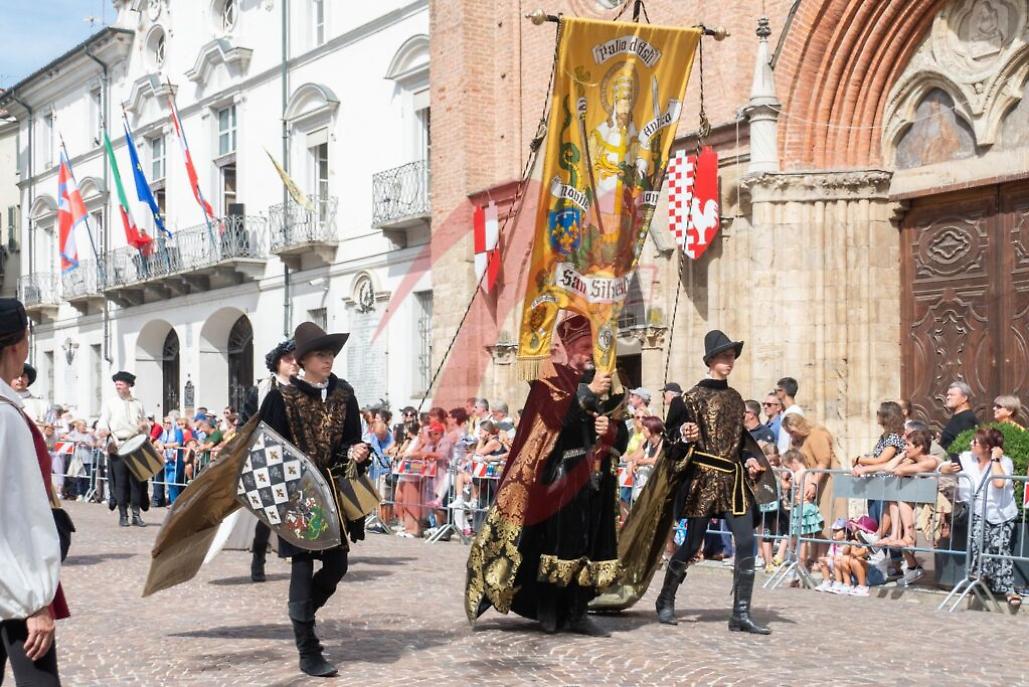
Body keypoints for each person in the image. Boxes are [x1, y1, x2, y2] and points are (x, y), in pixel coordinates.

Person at [466, 313, 627, 636]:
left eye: (592, 346)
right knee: (556, 546)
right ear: (568, 347)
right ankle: (549, 610)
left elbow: (622, 435)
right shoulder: (552, 379)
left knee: (590, 546)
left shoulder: (611, 383)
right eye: (582, 346)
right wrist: (588, 394)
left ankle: (579, 611)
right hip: (560, 476)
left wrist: (608, 430)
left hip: (597, 479)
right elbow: (556, 421)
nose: (589, 353)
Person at [257, 322, 370, 677]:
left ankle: (302, 612)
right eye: (321, 354)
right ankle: (308, 649)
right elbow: (268, 451)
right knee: (303, 567)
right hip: (297, 495)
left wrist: (357, 452)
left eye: (331, 354)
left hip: (333, 492)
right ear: (302, 360)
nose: (328, 359)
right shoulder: (280, 397)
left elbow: (350, 440)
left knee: (337, 567)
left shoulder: (345, 394)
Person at [650, 330, 777, 634]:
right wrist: (684, 435)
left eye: (732, 355)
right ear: (710, 360)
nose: (729, 361)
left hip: (733, 481)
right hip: (702, 479)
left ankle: (741, 614)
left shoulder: (735, 399)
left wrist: (749, 458)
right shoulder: (689, 399)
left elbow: (740, 440)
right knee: (693, 544)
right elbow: (670, 441)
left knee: (746, 542)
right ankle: (666, 598)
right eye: (724, 356)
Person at [0, 299, 68, 686]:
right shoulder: (8, 417)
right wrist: (36, 601)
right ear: (19, 346)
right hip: (13, 587)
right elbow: (20, 516)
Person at [940, 426, 1020, 607]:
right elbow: (941, 466)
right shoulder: (967, 458)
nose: (971, 443)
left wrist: (995, 459)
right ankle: (982, 580)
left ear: (987, 447)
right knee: (977, 544)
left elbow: (999, 483)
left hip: (1002, 513)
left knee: (1000, 548)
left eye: (975, 442)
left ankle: (1009, 589)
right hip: (977, 511)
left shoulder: (1004, 462)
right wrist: (946, 468)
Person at [781, 413, 846, 551]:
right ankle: (814, 555)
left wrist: (813, 483)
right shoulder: (797, 441)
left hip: (828, 478)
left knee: (824, 516)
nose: (791, 436)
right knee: (812, 518)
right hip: (812, 478)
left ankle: (823, 556)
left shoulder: (817, 434)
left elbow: (824, 461)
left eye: (792, 432)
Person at [99, 371, 150, 527]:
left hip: (135, 444)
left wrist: (144, 426)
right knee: (120, 482)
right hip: (118, 445)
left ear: (129, 385)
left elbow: (145, 423)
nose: (118, 386)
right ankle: (123, 515)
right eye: (116, 383)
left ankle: (136, 514)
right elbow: (103, 423)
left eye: (121, 383)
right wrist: (103, 432)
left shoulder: (138, 403)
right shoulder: (110, 404)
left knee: (136, 481)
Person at [940, 381, 978, 457]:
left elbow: (965, 447)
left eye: (952, 395)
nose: (947, 397)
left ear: (964, 398)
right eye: (947, 395)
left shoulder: (966, 419)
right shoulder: (958, 416)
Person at [774, 377, 803, 454]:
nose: (775, 394)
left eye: (776, 391)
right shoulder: (787, 412)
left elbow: (794, 438)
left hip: (789, 457)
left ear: (782, 391)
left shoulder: (794, 411)